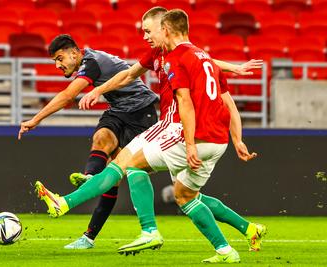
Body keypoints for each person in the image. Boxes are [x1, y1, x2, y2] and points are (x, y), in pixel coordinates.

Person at [34, 7, 266, 263]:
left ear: (164, 28)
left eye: (147, 31)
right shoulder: (199, 58)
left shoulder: (177, 57)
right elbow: (226, 100)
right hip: (217, 139)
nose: (144, 36)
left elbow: (185, 103)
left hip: (179, 128)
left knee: (127, 165)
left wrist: (190, 143)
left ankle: (140, 227)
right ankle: (238, 239)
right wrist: (237, 138)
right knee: (187, 196)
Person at [18, 34, 159, 249]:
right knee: (101, 138)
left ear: (74, 53)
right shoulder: (91, 60)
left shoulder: (91, 62)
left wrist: (35, 120)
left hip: (141, 114)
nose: (58, 65)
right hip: (118, 110)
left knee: (119, 173)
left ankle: (94, 234)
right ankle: (91, 177)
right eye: (55, 61)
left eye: (60, 58)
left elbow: (68, 96)